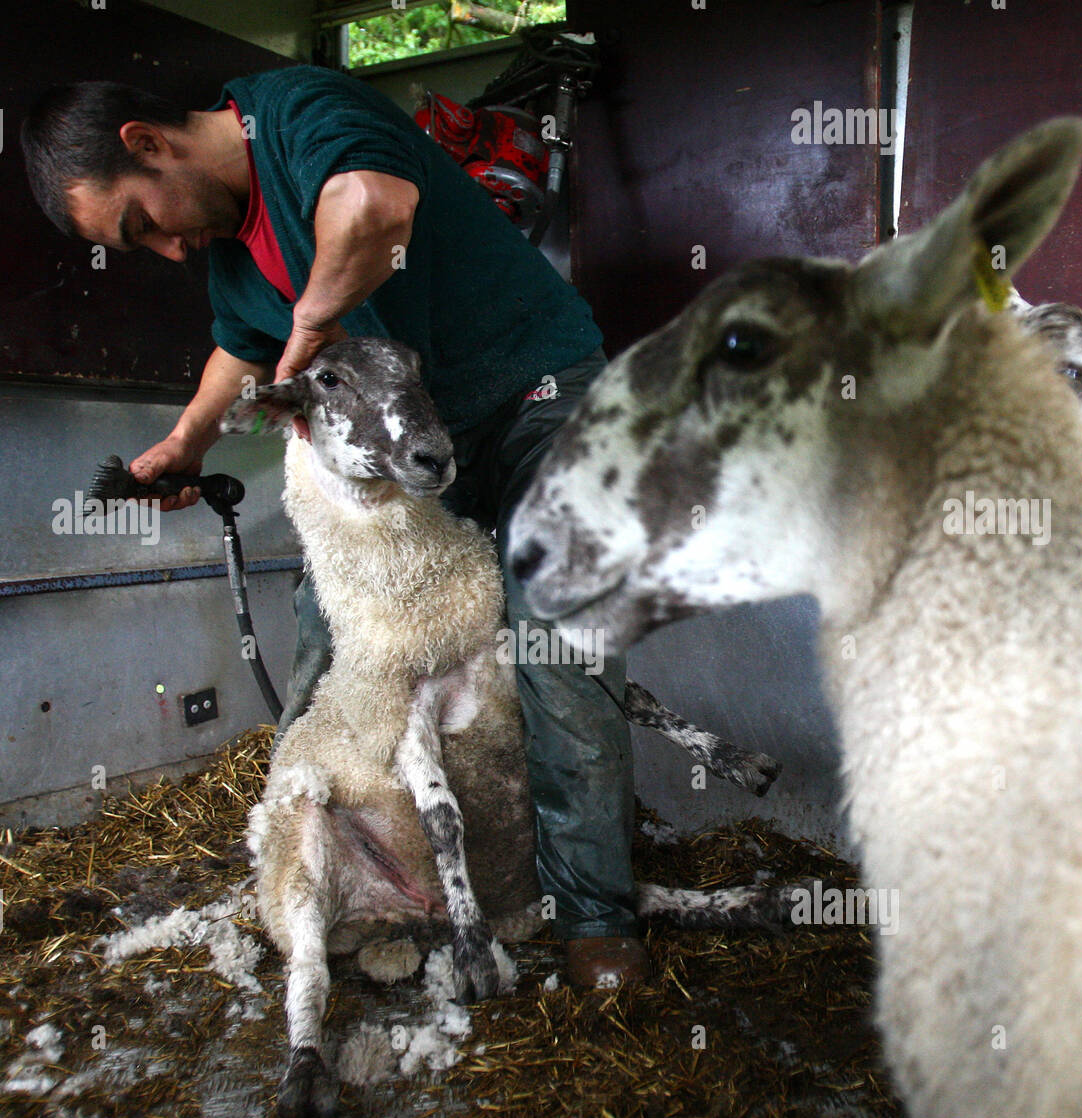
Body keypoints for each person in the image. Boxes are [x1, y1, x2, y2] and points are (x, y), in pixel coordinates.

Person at [21, 64, 650, 988]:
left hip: (532, 396)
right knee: (327, 626)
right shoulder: (231, 253)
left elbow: (371, 208)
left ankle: (594, 911)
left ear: (147, 144)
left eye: (140, 222)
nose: (161, 249)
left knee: (558, 640)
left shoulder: (299, 111)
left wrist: (309, 333)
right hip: (417, 445)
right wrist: (186, 445)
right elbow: (239, 349)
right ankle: (314, 858)